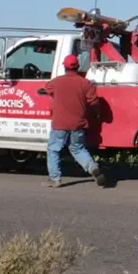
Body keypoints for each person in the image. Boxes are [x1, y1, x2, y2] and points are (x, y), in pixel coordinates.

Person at [37, 54, 107, 188]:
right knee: (77, 148)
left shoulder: (56, 82)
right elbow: (94, 102)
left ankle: (55, 178)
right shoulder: (85, 83)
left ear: (64, 66)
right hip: (78, 124)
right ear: (78, 67)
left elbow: (47, 89)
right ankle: (92, 167)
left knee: (54, 149)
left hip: (60, 124)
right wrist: (96, 114)